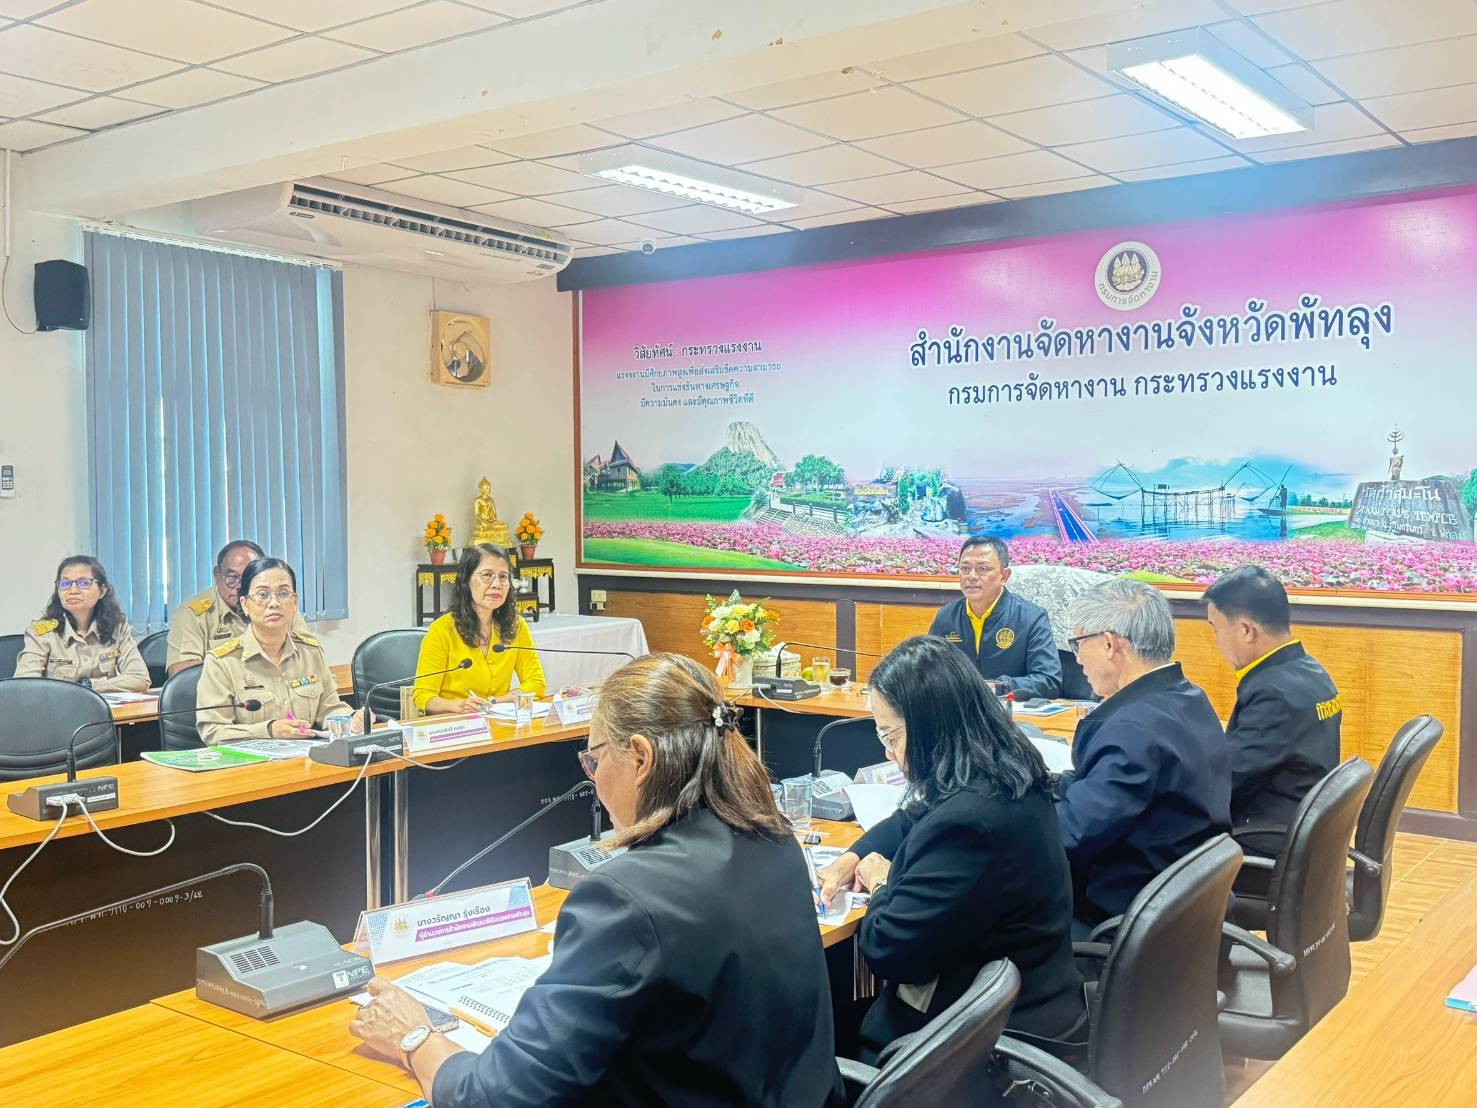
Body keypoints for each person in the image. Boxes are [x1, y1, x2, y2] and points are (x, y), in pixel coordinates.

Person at [349, 653, 847, 1108]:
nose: (593, 777)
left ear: (640, 757)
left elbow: (494, 1098)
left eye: (594, 758)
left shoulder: (625, 897)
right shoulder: (775, 839)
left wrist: (416, 1038)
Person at [816, 636, 1085, 1058]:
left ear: (929, 724)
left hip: (979, 1043)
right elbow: (915, 815)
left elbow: (887, 950)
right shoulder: (1005, 770)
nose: (889, 752)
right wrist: (851, 857)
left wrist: (882, 882)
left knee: (818, 1029)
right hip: (1029, 997)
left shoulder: (968, 825)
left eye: (890, 735)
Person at [1055, 579, 1229, 933]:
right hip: (1180, 905)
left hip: (1126, 919)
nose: (1077, 658)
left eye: (1078, 644)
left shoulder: (1132, 731)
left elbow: (1069, 833)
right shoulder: (1187, 697)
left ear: (1109, 644)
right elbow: (1102, 789)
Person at [1204, 566, 1341, 858]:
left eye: (1216, 629)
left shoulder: (1272, 691)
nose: (1216, 641)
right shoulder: (1311, 670)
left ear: (1246, 630)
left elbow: (1225, 783)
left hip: (1266, 838)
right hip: (1304, 825)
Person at [195, 557, 352, 745]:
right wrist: (268, 730)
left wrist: (351, 718)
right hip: (251, 761)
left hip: (305, 758)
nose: (274, 603)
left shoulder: (311, 653)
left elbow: (329, 709)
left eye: (284, 594)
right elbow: (212, 731)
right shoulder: (222, 662)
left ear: (294, 602)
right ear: (245, 604)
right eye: (263, 594)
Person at [414, 544, 546, 715]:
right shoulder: (442, 630)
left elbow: (536, 683)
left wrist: (494, 702)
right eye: (487, 575)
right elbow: (423, 696)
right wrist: (457, 706)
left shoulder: (516, 625)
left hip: (499, 720)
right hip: (455, 723)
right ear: (466, 581)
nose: (496, 584)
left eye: (503, 577)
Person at [928, 536, 1061, 698]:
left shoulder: (1031, 617)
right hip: (959, 709)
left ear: (1004, 576)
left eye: (983, 569)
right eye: (965, 568)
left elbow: (1048, 681)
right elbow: (929, 672)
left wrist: (996, 687)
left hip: (1010, 709)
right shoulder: (946, 617)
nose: (971, 576)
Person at [165, 539, 308, 675]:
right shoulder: (193, 613)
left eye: (249, 578)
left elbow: (309, 654)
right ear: (217, 575)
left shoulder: (280, 606)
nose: (240, 586)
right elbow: (181, 671)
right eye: (232, 578)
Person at [15, 555, 149, 692]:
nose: (72, 591)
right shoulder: (42, 631)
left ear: (102, 591)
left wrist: (89, 686)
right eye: (65, 584)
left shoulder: (117, 626)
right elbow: (24, 686)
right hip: (57, 705)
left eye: (84, 583)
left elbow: (140, 679)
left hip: (103, 705)